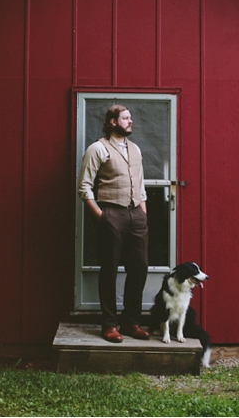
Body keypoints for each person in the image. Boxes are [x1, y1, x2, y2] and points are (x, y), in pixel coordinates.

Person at [78, 104, 150, 343]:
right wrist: (101, 216)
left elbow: (140, 185)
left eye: (131, 118)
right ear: (112, 122)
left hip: (136, 216)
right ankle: (109, 325)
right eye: (126, 118)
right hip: (111, 214)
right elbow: (84, 187)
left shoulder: (136, 149)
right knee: (109, 270)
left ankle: (131, 321)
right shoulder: (97, 149)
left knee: (139, 268)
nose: (131, 122)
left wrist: (142, 211)